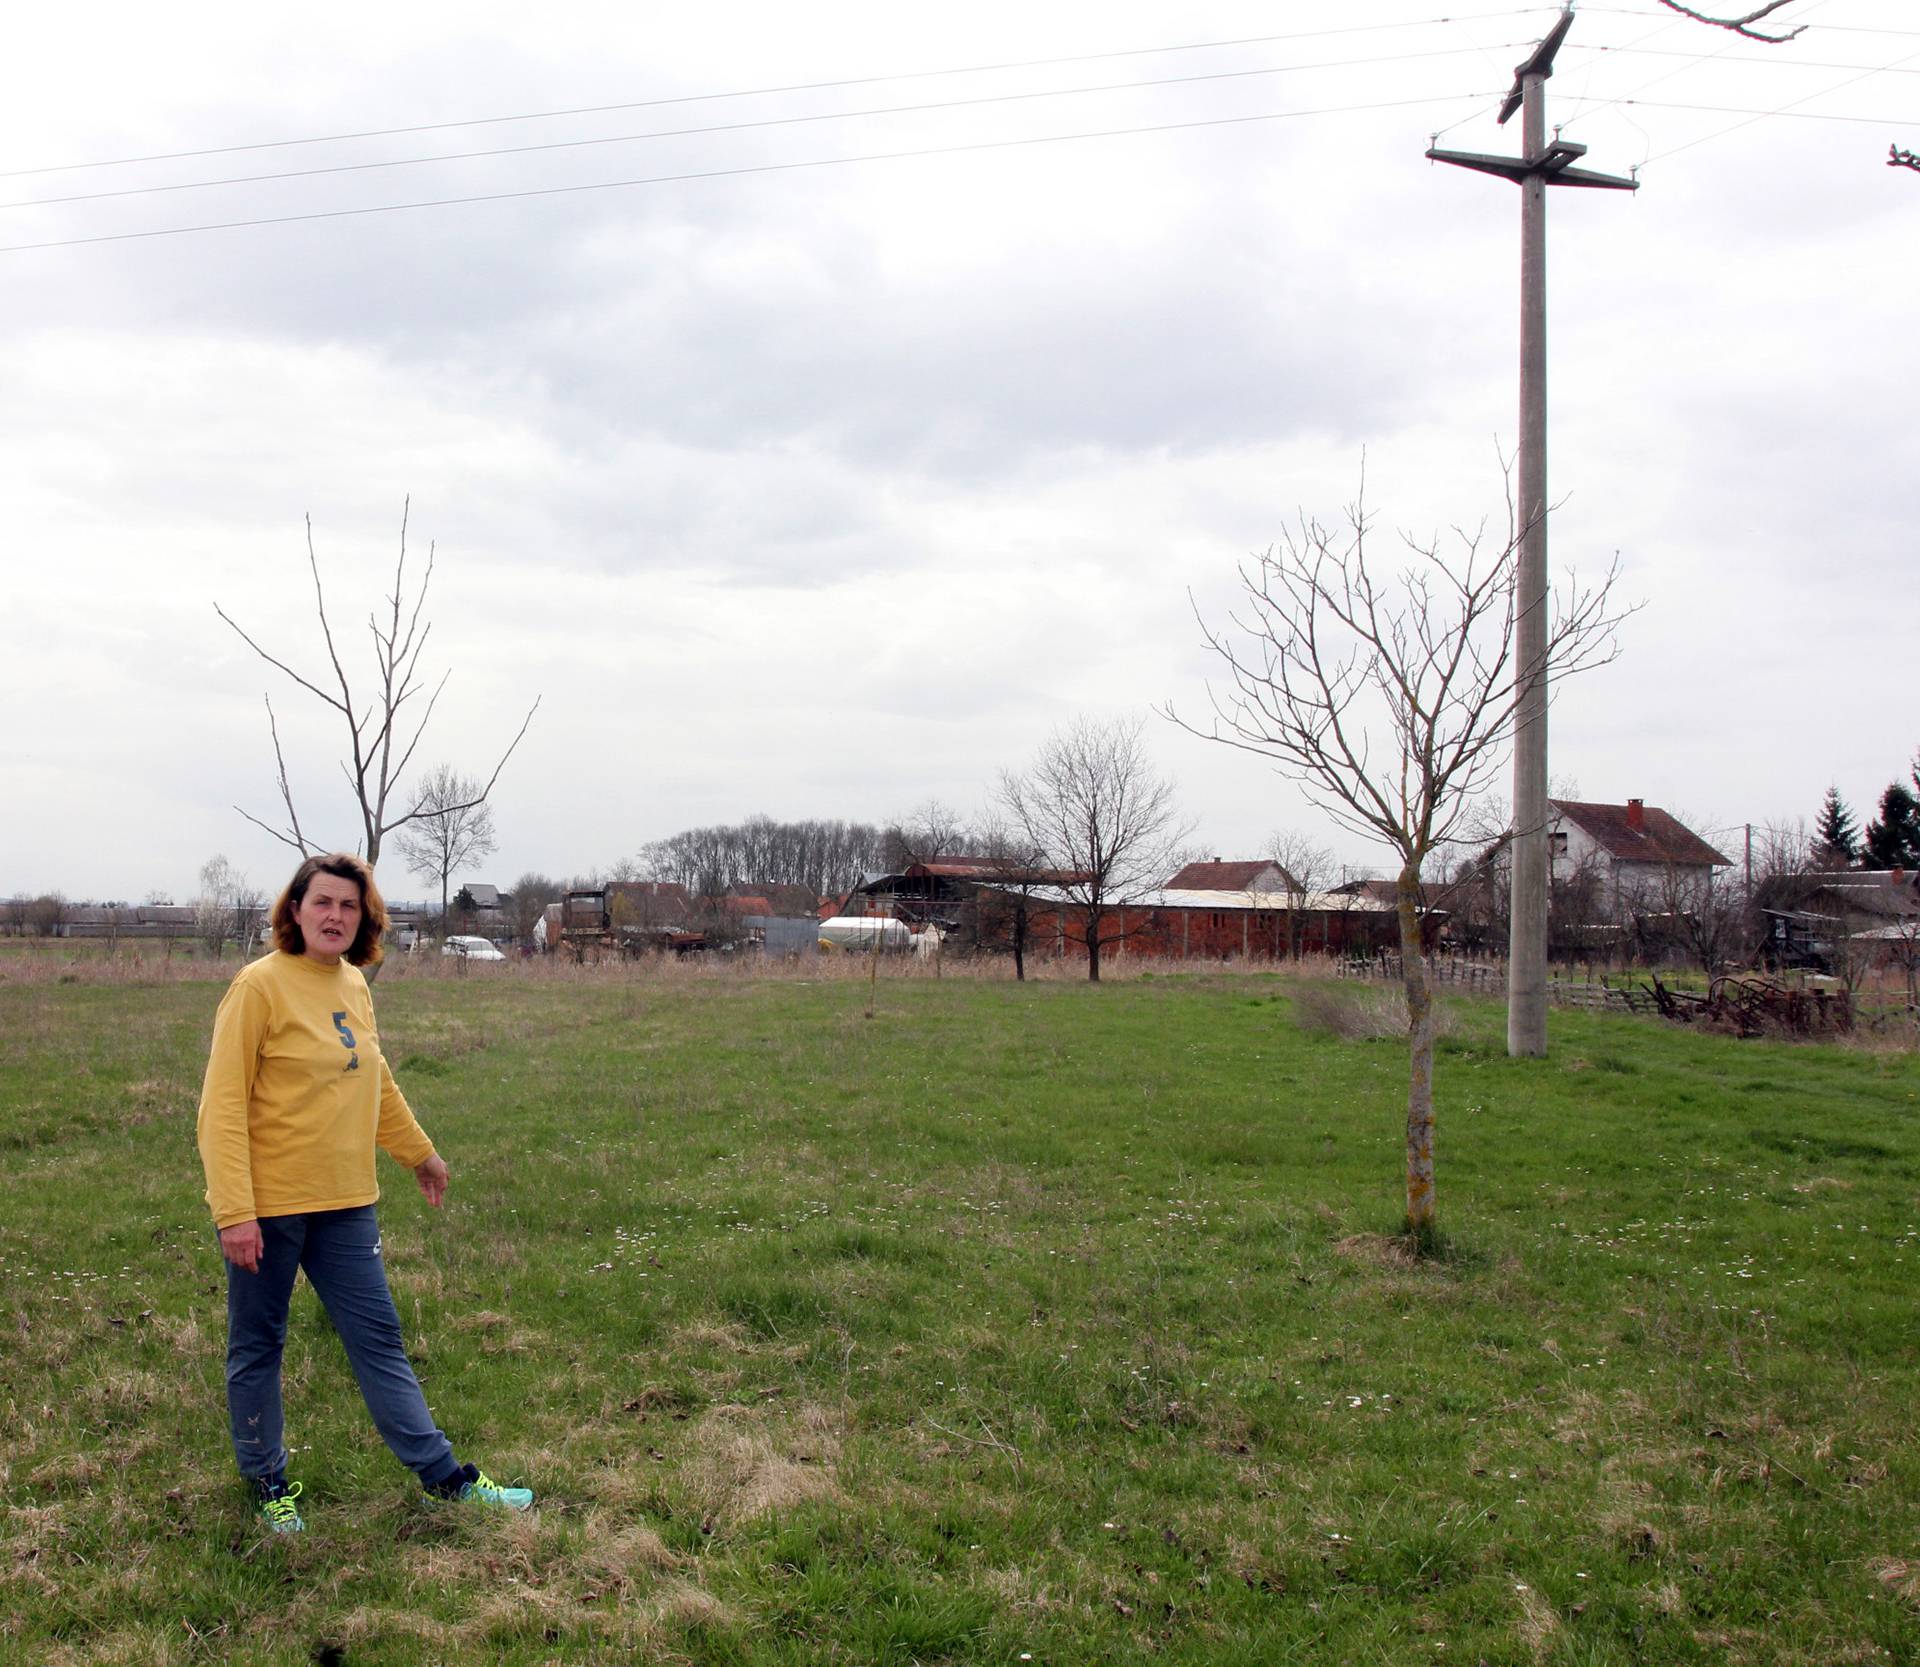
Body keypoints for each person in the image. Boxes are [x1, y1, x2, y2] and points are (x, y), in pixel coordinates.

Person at [196, 851, 533, 1534]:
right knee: (259, 1345)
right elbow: (221, 1107)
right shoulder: (258, 986)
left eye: (349, 906)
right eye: (322, 902)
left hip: (347, 1202)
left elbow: (373, 1080)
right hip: (270, 1207)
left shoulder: (353, 983)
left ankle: (445, 1477)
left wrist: (421, 1153)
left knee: (379, 1339)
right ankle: (267, 1482)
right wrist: (235, 1210)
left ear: (365, 917)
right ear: (295, 909)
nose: (335, 915)